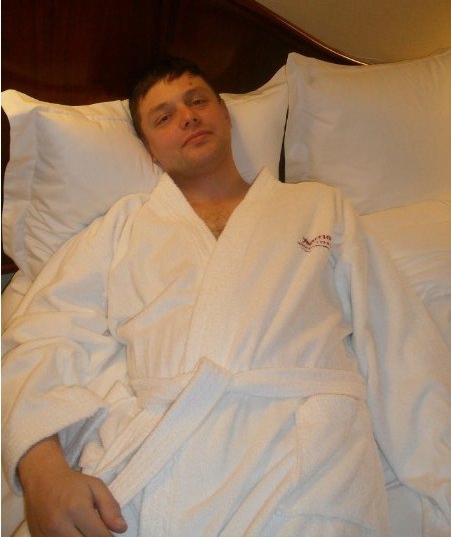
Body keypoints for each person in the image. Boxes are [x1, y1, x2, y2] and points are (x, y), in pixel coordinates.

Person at [2, 57, 450, 537]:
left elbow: (397, 340)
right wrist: (43, 472)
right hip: (161, 458)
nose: (188, 117)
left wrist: (441, 479)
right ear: (149, 150)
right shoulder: (120, 228)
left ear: (225, 113)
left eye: (197, 101)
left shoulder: (319, 206)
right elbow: (47, 336)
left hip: (308, 461)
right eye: (164, 117)